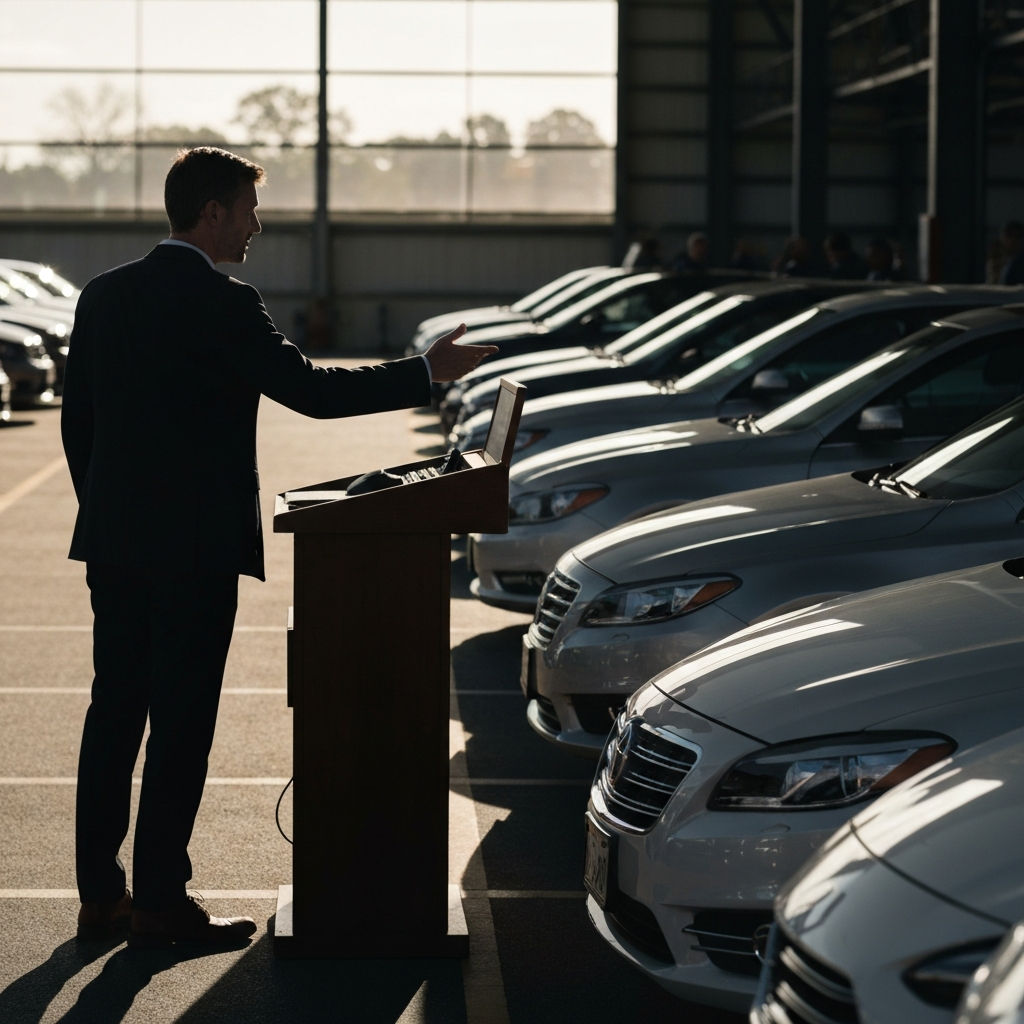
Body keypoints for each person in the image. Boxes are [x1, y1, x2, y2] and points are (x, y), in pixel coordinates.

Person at [63, 147, 497, 949]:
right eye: (248, 209)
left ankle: (101, 898)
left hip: (115, 547)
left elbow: (76, 421)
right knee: (181, 724)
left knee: (114, 713)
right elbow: (315, 393)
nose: (258, 226)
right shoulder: (225, 302)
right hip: (194, 553)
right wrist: (420, 375)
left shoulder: (104, 296)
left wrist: (113, 513)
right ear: (212, 213)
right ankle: (160, 904)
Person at [1000, 221, 1024, 285]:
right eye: (1009, 236)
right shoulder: (996, 260)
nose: (1013, 240)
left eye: (1017, 237)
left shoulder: (1020, 265)